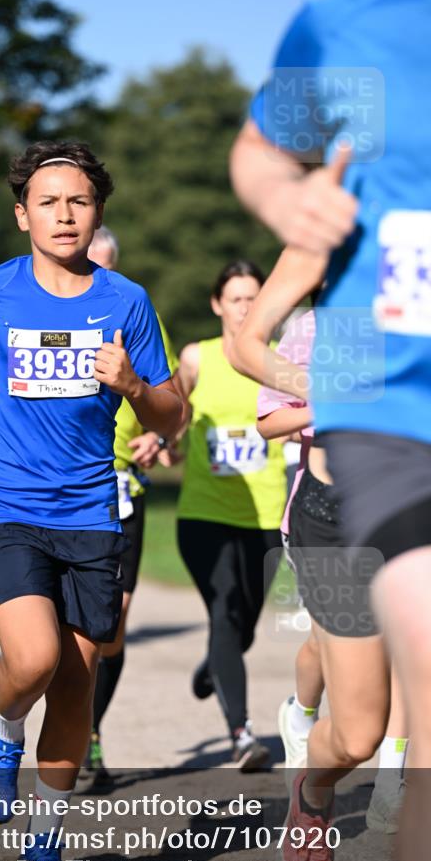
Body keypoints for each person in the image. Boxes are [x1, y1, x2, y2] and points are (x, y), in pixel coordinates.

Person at [231, 0, 431, 861]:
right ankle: (315, 786)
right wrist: (318, 386)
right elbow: (245, 341)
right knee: (364, 729)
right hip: (368, 458)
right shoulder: (349, 23)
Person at [0, 141, 183, 861]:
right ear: (22, 213)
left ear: (97, 213)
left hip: (92, 512)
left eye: (80, 201)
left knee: (75, 688)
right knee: (32, 661)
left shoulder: (125, 300)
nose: (65, 215)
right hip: (10, 504)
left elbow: (173, 410)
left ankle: (46, 843)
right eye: (49, 202)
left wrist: (132, 384)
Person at [254, 300, 409, 832]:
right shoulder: (311, 331)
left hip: (400, 509)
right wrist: (332, 405)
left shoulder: (422, 327)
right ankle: (301, 716)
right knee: (325, 651)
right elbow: (269, 422)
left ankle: (393, 780)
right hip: (323, 516)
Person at [80, 226, 184, 787]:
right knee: (58, 630)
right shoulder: (47, 312)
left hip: (123, 486)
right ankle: (60, 729)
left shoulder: (138, 312)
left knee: (111, 628)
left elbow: (174, 405)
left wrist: (162, 440)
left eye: (105, 264)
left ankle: (89, 734)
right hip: (63, 484)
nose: (97, 273)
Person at [174, 259, 287, 771]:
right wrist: (164, 442)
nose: (244, 307)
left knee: (241, 630)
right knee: (224, 611)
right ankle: (242, 734)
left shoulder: (281, 360)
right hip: (204, 514)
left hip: (266, 514)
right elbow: (171, 410)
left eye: (253, 298)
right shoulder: (198, 357)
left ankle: (212, 667)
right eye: (235, 298)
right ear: (218, 304)